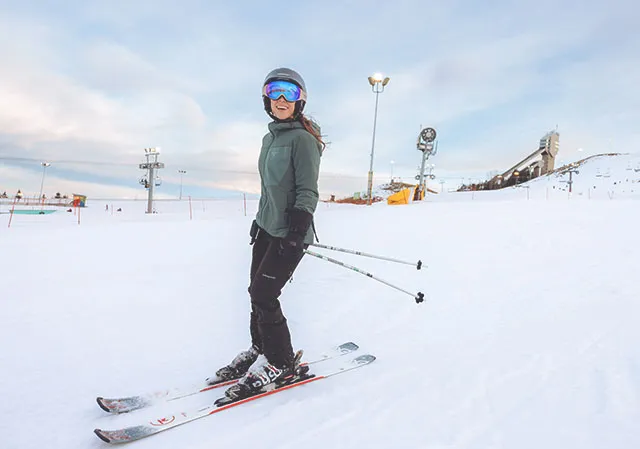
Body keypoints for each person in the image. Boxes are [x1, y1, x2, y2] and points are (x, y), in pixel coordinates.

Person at [208, 67, 325, 400]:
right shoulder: (270, 138)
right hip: (266, 228)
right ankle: (260, 348)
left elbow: (307, 189)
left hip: (291, 233)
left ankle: (280, 361)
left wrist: (298, 227)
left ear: (300, 99)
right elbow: (269, 189)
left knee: (264, 294)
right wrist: (260, 220)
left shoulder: (303, 139)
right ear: (266, 98)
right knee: (254, 291)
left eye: (290, 92)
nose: (282, 98)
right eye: (275, 91)